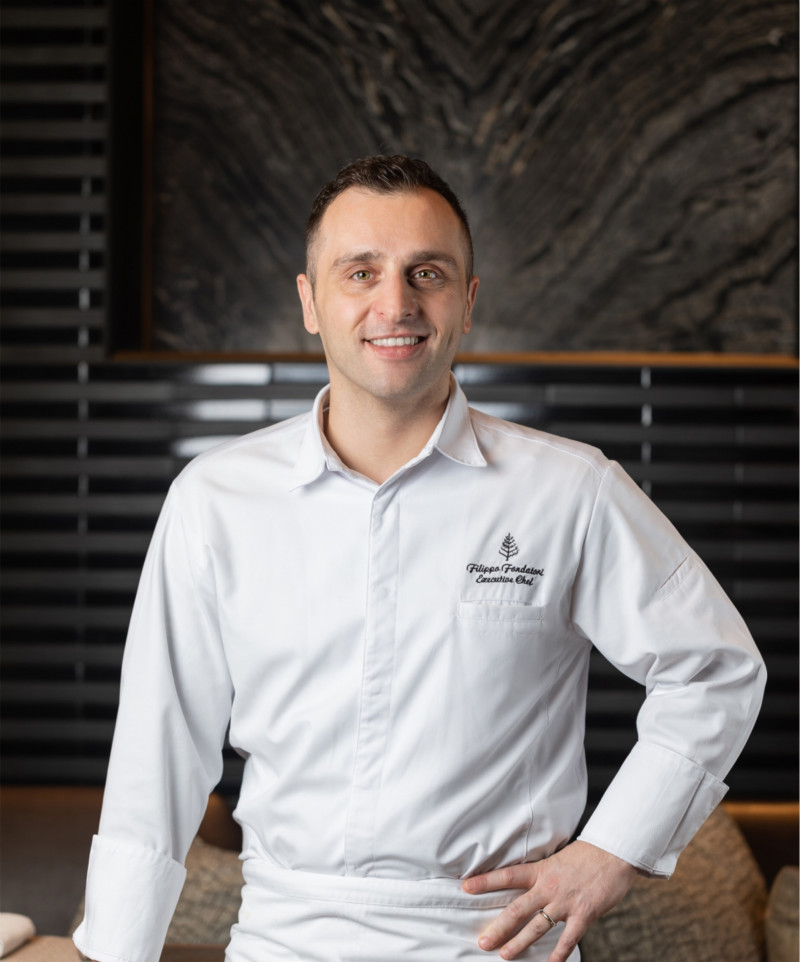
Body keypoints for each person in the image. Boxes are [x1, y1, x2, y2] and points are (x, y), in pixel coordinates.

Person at [73, 155, 765, 962]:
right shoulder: (214, 498)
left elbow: (715, 668)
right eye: (360, 272)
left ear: (467, 301)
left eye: (426, 273)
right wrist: (112, 953)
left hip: (491, 942)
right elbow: (159, 748)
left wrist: (613, 851)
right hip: (283, 938)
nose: (394, 304)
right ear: (310, 301)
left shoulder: (572, 490)